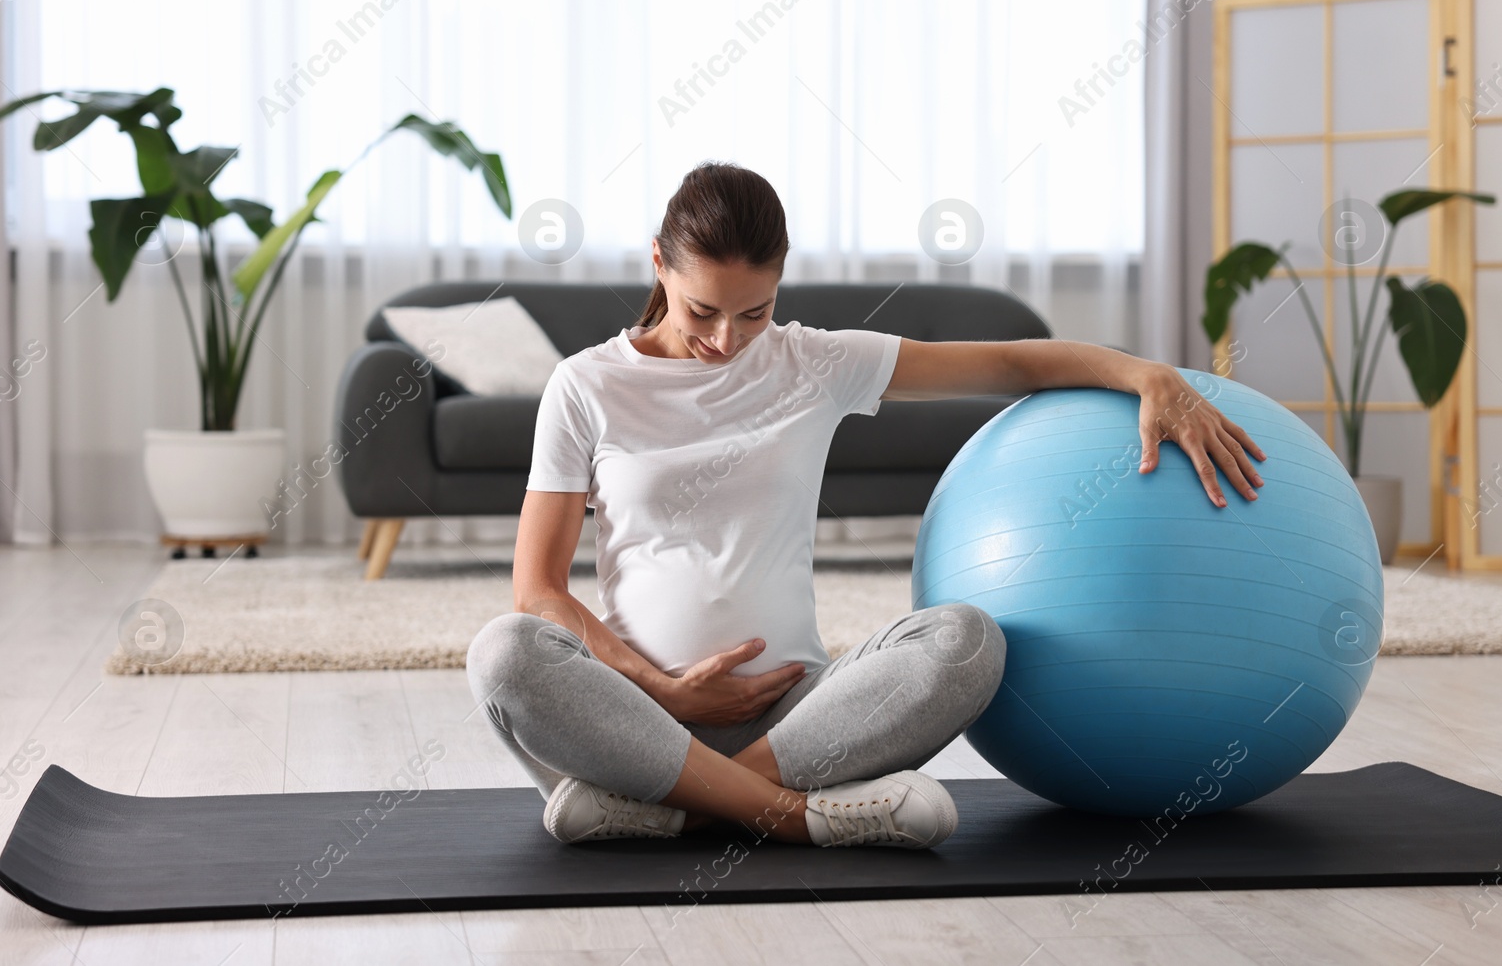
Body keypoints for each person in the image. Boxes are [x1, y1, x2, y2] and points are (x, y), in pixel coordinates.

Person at [467, 161, 1265, 849]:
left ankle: (682, 811)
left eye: (754, 311)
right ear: (659, 266)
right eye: (702, 311)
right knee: (503, 652)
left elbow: (1011, 362)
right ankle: (785, 817)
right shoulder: (586, 385)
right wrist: (665, 689)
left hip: (801, 718)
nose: (725, 339)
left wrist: (1147, 374)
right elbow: (538, 588)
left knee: (966, 641)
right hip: (637, 718)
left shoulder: (814, 361)